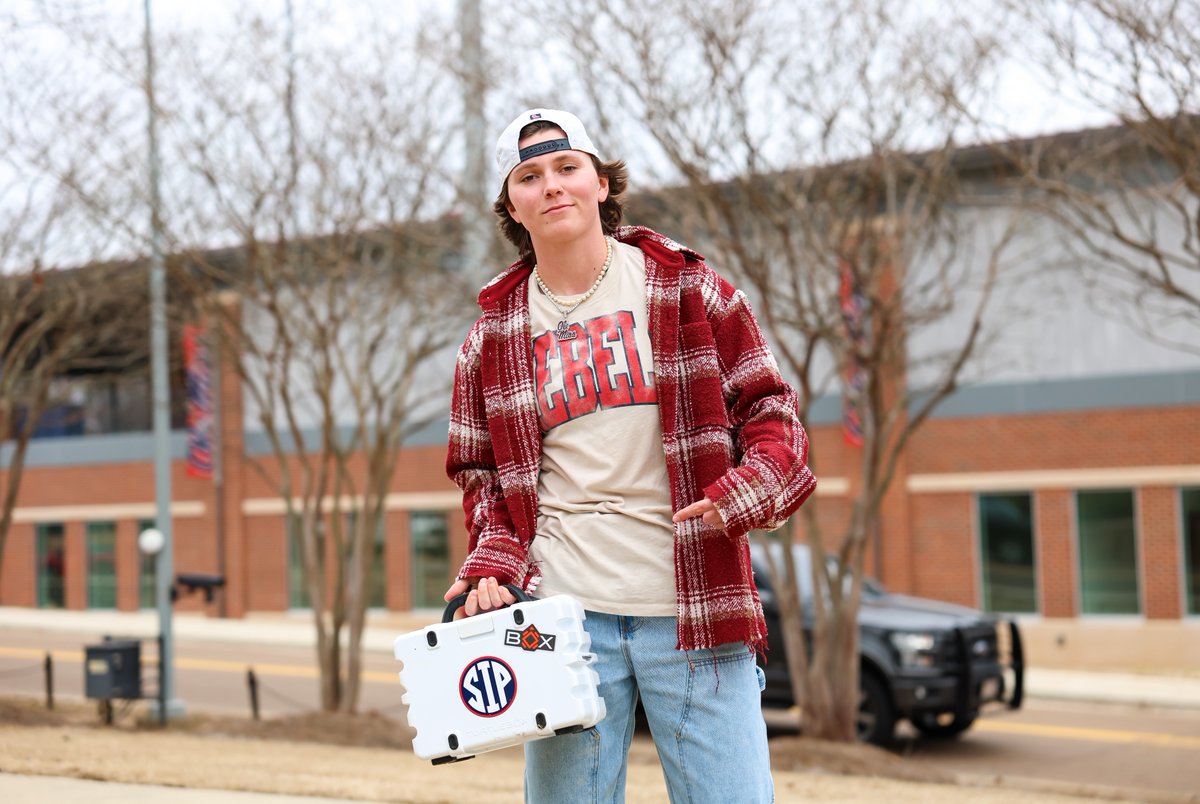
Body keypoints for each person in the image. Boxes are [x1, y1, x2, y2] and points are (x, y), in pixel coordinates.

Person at [443, 108, 816, 803]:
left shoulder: (686, 290)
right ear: (511, 206)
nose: (551, 186)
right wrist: (493, 560)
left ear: (600, 185)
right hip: (561, 624)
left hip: (694, 608)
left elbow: (772, 413)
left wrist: (748, 488)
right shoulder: (489, 338)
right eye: (529, 176)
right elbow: (481, 477)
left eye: (566, 167)